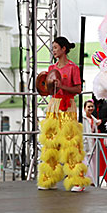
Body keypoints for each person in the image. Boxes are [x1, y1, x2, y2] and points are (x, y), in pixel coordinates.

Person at [37, 36, 91, 191]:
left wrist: (63, 87)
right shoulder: (51, 69)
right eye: (53, 48)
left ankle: (77, 181)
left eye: (55, 47)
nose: (53, 50)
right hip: (53, 106)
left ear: (64, 49)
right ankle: (49, 178)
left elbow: (78, 89)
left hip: (67, 106)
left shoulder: (73, 68)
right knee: (50, 141)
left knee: (70, 143)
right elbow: (48, 90)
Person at [82, 99, 101, 185]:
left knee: (93, 162)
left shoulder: (93, 119)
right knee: (86, 162)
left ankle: (93, 180)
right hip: (85, 143)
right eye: (88, 107)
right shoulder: (82, 119)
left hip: (93, 143)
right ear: (84, 108)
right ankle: (87, 180)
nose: (90, 108)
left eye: (92, 106)